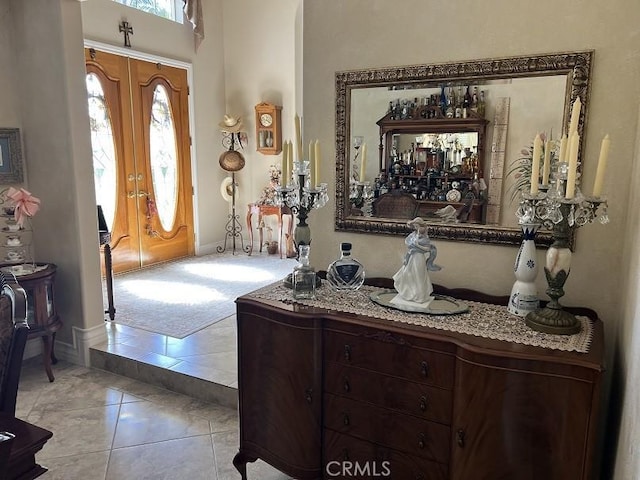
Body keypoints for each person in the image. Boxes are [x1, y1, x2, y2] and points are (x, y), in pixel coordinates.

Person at [390, 217, 442, 308]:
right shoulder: (413, 235)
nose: (416, 228)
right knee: (408, 273)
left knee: (418, 275)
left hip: (419, 257)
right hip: (411, 257)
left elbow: (427, 249)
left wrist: (417, 245)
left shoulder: (425, 238)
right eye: (415, 226)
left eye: (417, 226)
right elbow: (408, 244)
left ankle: (420, 295)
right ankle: (409, 293)